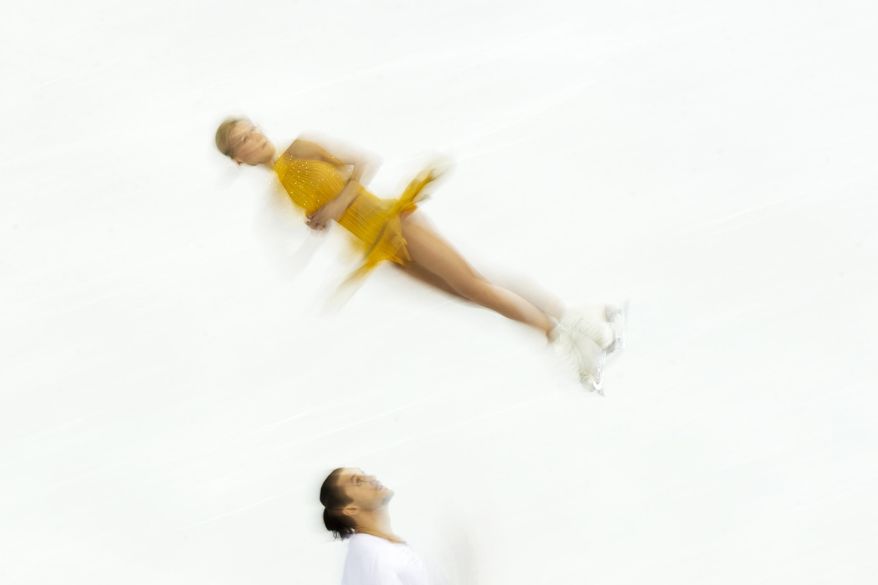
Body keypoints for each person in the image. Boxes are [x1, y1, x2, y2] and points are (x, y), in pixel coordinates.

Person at [214, 117, 625, 390]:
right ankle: (576, 327)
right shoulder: (280, 187)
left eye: (253, 129)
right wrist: (320, 220)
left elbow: (364, 162)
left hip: (395, 222)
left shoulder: (301, 147)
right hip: (378, 248)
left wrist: (334, 208)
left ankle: (574, 336)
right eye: (244, 140)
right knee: (468, 292)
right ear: (237, 159)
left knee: (476, 285)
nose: (256, 137)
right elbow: (328, 205)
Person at [320, 467, 432, 585]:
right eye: (358, 481)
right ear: (351, 509)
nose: (371, 477)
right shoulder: (374, 558)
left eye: (363, 474)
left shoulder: (383, 546)